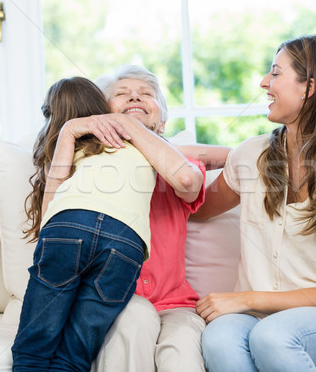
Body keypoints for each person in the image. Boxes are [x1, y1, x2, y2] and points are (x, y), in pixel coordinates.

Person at [192, 34, 316, 371]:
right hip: (255, 317)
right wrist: (155, 148)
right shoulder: (250, 155)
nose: (264, 82)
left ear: (308, 87)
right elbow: (196, 207)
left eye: (276, 73)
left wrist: (246, 298)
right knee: (219, 338)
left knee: (272, 336)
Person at [44, 65, 229, 372]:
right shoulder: (88, 166)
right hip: (116, 299)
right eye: (121, 94)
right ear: (102, 116)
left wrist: (141, 133)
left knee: (182, 348)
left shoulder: (182, 162)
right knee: (132, 323)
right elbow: (51, 221)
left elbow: (187, 181)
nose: (134, 96)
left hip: (177, 305)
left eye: (146, 94)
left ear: (163, 121)